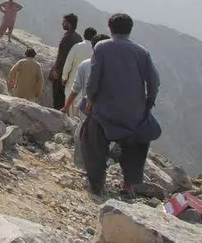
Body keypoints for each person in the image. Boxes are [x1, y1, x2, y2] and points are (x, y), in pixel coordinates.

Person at [82, 13, 160, 196]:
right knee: (137, 145)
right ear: (130, 30)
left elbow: (94, 79)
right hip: (134, 114)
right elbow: (154, 82)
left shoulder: (101, 47)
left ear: (110, 28)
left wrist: (90, 99)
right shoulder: (142, 52)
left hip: (104, 111)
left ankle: (97, 184)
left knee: (92, 139)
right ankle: (129, 185)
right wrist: (148, 103)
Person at [64, 33, 109, 167]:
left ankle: (80, 164)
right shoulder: (114, 68)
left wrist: (66, 106)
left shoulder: (85, 65)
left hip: (87, 108)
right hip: (105, 110)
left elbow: (75, 88)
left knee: (82, 135)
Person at [61, 27, 97, 117]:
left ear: (84, 35)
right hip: (88, 85)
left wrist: (64, 77)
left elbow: (68, 63)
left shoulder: (77, 46)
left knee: (70, 108)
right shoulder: (96, 50)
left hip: (74, 80)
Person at [50, 13, 83, 109]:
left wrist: (57, 70)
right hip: (72, 72)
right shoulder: (78, 37)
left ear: (69, 24)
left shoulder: (67, 37)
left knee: (58, 98)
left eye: (64, 22)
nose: (62, 24)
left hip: (62, 72)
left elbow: (62, 56)